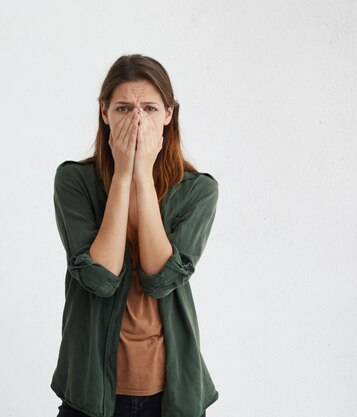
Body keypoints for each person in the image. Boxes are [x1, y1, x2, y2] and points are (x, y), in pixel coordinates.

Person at [51, 54, 219, 417]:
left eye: (150, 108)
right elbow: (101, 278)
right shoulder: (73, 181)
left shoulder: (197, 190)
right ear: (104, 112)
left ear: (169, 114)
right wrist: (123, 175)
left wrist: (143, 176)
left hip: (171, 395)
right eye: (124, 108)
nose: (137, 120)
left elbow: (161, 279)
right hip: (90, 391)